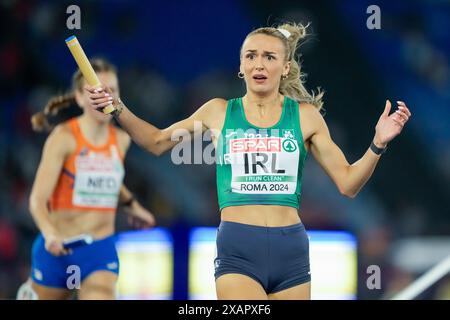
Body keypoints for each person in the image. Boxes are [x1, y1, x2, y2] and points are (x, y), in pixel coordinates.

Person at [86, 22, 411, 300]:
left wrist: (377, 143)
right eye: (251, 56)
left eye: (269, 57)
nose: (259, 64)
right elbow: (156, 142)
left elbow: (349, 184)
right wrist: (118, 109)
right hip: (238, 249)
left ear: (284, 67)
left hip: (291, 251)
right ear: (241, 67)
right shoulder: (218, 112)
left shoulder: (306, 117)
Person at [22, 58, 156, 300]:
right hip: (57, 248)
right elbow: (37, 200)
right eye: (95, 91)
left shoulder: (121, 140)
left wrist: (132, 205)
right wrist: (50, 233)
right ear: (80, 98)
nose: (104, 97)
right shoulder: (63, 138)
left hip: (98, 250)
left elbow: (110, 178)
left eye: (111, 91)